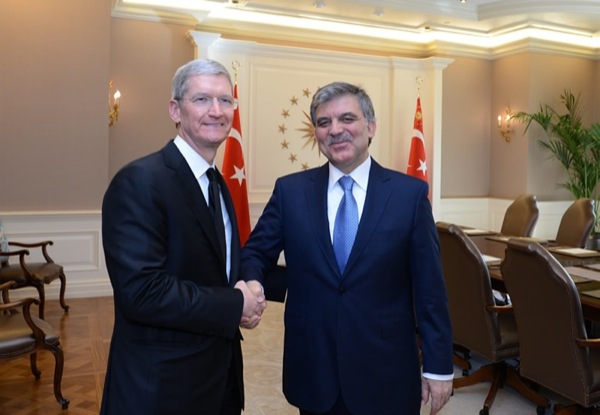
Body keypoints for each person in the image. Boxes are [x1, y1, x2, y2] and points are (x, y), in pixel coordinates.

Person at [241, 82, 454, 415]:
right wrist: (252, 281)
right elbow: (255, 252)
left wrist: (438, 366)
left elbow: (430, 290)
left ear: (370, 127)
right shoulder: (290, 192)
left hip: (387, 372)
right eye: (324, 123)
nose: (335, 130)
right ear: (316, 133)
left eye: (347, 119)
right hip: (314, 367)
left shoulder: (408, 196)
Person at [100, 58, 266, 415]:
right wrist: (236, 305)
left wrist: (252, 287)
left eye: (226, 101)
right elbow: (143, 293)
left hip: (219, 383)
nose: (217, 111)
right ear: (175, 110)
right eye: (202, 100)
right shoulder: (140, 181)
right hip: (161, 388)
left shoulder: (218, 184)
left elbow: (213, 267)